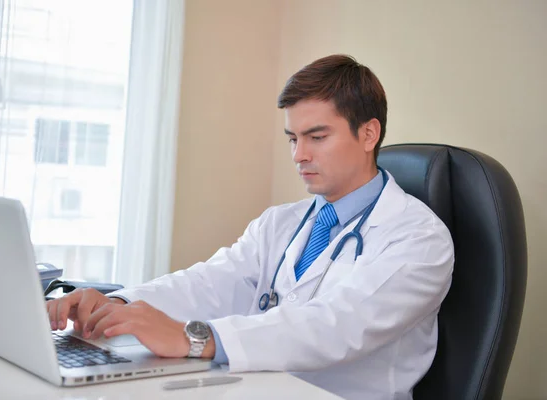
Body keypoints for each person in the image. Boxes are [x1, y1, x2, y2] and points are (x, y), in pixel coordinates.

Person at [46, 54, 454, 399]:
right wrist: (118, 306)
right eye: (292, 138)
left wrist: (194, 338)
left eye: (316, 137)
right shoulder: (281, 223)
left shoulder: (418, 239)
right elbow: (207, 283)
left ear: (369, 133)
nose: (299, 155)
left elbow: (335, 326)